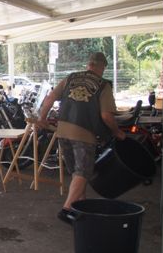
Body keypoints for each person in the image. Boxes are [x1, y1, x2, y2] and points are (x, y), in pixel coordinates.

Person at [37, 52, 125, 223]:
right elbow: (106, 116)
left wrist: (42, 118)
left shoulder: (70, 78)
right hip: (84, 133)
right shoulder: (103, 85)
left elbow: (50, 98)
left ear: (88, 64)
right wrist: (117, 132)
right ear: (102, 67)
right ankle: (67, 209)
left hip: (62, 131)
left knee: (76, 173)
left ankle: (81, 208)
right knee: (83, 172)